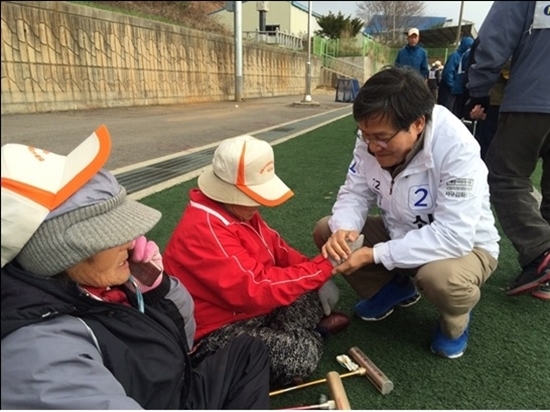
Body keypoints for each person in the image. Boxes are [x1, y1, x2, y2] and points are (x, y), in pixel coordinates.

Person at [0, 126, 271, 409]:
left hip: (173, 391)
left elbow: (183, 338)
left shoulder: (96, 284)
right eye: (111, 234)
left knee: (248, 350)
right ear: (59, 253)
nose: (131, 243)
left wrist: (158, 287)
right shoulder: (41, 352)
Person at [312, 66, 500, 359]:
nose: (373, 147)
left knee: (440, 278)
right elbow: (355, 192)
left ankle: (455, 321)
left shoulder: (457, 148)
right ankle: (392, 290)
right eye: (365, 135)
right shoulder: (370, 140)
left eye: (382, 138)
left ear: (418, 124)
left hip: (464, 249)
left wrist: (376, 254)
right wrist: (344, 229)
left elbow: (454, 236)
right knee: (327, 230)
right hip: (400, 230)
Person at [162, 135, 361, 388]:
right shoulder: (205, 229)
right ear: (231, 192)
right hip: (214, 332)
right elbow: (256, 287)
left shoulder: (236, 212)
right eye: (253, 196)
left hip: (252, 312)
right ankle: (312, 336)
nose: (257, 205)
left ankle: (286, 336)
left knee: (309, 294)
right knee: (301, 357)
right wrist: (324, 268)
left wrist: (317, 273)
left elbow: (277, 249)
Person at [466, 1, 550, 299]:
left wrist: (478, 89)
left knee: (504, 175)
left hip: (533, 97)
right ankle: (544, 269)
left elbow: (496, 38)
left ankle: (541, 251)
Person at [439, 36, 474, 117]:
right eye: (469, 46)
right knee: (448, 113)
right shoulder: (456, 56)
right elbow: (448, 73)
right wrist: (453, 86)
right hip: (449, 91)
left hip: (456, 91)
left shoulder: (464, 57)